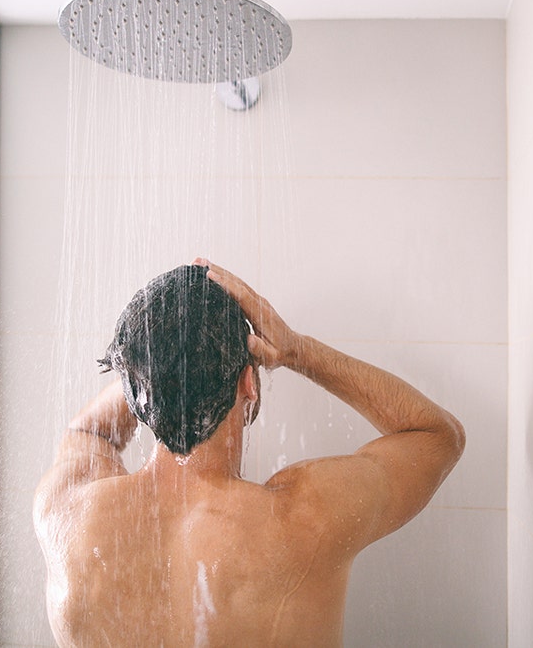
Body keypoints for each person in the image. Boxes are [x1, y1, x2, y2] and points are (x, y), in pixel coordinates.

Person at [33, 260, 465, 647]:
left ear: (133, 389)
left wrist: (157, 365)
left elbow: (89, 430)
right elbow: (436, 435)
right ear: (249, 383)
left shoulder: (67, 514)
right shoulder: (306, 517)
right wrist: (296, 350)